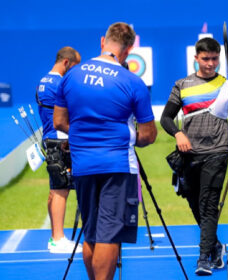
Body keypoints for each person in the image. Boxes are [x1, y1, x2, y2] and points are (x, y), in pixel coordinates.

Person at [53, 22, 157, 279]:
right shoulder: (132, 81)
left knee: (91, 232)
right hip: (117, 165)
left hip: (82, 164)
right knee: (109, 233)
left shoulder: (71, 76)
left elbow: (60, 122)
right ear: (129, 49)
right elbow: (148, 135)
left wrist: (84, 136)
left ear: (103, 41)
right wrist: (127, 138)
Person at [160, 37, 228, 276]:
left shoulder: (227, 85)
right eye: (206, 59)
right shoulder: (182, 84)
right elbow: (166, 118)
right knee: (195, 203)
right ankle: (215, 246)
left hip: (217, 152)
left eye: (215, 59)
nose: (210, 64)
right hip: (189, 155)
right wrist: (177, 133)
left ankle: (204, 258)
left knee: (208, 204)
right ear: (196, 58)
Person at [36, 46, 82, 253]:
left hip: (50, 138)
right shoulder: (60, 83)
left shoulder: (44, 81)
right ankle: (58, 239)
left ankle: (55, 236)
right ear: (66, 62)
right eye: (74, 67)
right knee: (61, 190)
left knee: (55, 189)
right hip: (61, 140)